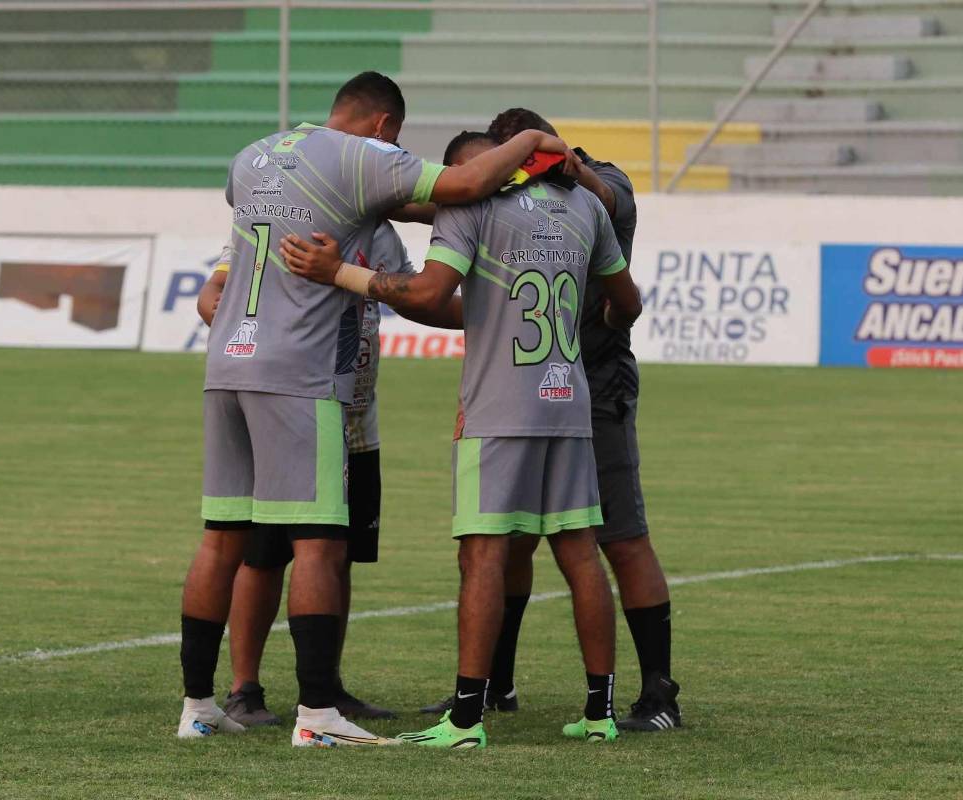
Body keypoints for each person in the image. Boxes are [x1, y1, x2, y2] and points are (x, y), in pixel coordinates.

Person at [177, 73, 575, 747]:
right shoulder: (360, 156)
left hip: (227, 366)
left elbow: (239, 260)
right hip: (298, 374)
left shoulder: (255, 158)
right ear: (384, 127)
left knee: (223, 538)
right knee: (320, 546)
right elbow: (462, 188)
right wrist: (534, 141)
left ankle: (197, 708)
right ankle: (316, 717)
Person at [278, 130, 644, 748]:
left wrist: (336, 271)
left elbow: (425, 293)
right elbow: (626, 304)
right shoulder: (584, 207)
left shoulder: (470, 207)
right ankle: (600, 712)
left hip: (500, 409)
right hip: (569, 400)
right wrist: (601, 320)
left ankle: (467, 718)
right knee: (580, 553)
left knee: (482, 556)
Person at [424, 108, 682, 733]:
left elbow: (612, 201)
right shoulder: (506, 200)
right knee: (515, 543)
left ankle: (659, 692)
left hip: (593, 385)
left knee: (615, 538)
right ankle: (499, 686)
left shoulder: (595, 183)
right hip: (539, 383)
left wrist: (564, 167)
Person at [193, 222, 415, 726]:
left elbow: (412, 294)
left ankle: (325, 687)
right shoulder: (290, 214)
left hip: (356, 419)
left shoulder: (380, 229)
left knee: (339, 554)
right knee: (263, 557)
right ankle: (243, 689)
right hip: (291, 413)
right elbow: (215, 294)